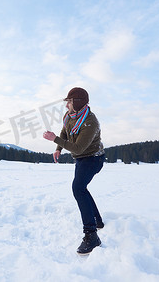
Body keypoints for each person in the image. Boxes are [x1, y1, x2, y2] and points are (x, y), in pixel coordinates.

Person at [43, 87, 105, 255]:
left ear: (77, 103)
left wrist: (54, 139)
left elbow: (77, 148)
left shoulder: (90, 122)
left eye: (69, 102)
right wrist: (58, 148)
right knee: (81, 188)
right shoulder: (70, 116)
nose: (66, 106)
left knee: (78, 188)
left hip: (93, 158)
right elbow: (65, 130)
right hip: (81, 158)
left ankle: (91, 235)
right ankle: (97, 221)